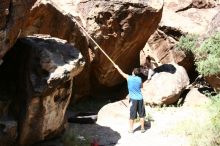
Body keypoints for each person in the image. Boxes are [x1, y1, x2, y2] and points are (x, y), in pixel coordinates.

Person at [113, 64, 146, 133]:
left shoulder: (129, 78)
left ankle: (131, 129)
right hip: (140, 98)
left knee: (132, 115)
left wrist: (117, 67)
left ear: (133, 72)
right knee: (142, 115)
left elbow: (121, 73)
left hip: (133, 100)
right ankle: (142, 128)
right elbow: (141, 87)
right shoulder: (139, 79)